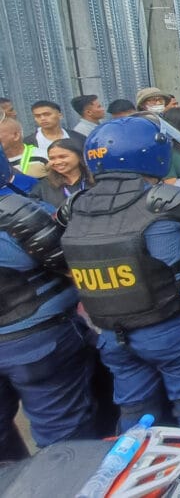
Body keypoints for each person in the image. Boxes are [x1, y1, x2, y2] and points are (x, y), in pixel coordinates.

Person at [60, 115, 180, 433]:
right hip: (172, 329)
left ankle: (144, 481)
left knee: (136, 417)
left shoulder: (76, 204)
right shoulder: (166, 202)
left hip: (111, 334)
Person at [0, 156, 96, 461]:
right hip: (37, 340)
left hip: (31, 338)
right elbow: (72, 265)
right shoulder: (16, 211)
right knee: (65, 439)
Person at [29, 139, 93, 207]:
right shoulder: (42, 187)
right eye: (52, 158)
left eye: (62, 157)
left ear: (79, 156)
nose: (57, 162)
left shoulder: (96, 180)